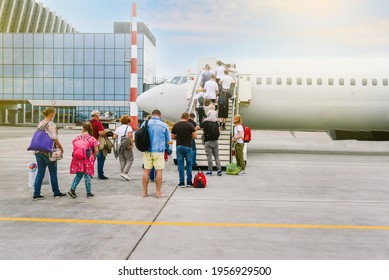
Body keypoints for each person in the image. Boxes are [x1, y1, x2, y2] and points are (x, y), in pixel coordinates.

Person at [32, 107, 66, 200]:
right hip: (48, 152)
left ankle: (36, 194)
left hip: (38, 150)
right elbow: (54, 137)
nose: (55, 115)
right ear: (51, 114)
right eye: (54, 113)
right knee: (53, 172)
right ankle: (56, 192)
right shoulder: (50, 124)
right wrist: (61, 147)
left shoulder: (41, 123)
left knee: (40, 173)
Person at [142, 109, 171, 198]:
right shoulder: (164, 125)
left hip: (147, 151)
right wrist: (168, 150)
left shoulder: (145, 123)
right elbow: (168, 140)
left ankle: (144, 193)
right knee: (159, 171)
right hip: (159, 151)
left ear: (152, 114)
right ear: (160, 115)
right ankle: (158, 193)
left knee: (146, 171)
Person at [68, 122, 99, 198]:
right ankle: (88, 192)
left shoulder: (78, 137)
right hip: (88, 159)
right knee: (87, 175)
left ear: (83, 128)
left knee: (78, 175)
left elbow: (74, 145)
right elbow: (96, 150)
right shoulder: (92, 138)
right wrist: (94, 156)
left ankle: (72, 189)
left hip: (78, 159)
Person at [171, 112, 197, 187]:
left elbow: (172, 137)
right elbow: (195, 136)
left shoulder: (176, 125)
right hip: (188, 146)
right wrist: (189, 137)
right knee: (189, 164)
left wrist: (178, 138)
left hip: (179, 146)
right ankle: (189, 182)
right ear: (188, 117)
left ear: (181, 117)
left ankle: (181, 182)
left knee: (180, 164)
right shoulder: (190, 125)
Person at [197, 109, 222, 176]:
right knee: (216, 156)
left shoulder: (205, 122)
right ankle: (219, 170)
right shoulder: (216, 123)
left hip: (208, 141)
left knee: (209, 157)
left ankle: (210, 170)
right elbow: (219, 132)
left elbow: (198, 128)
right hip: (215, 141)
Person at [113, 115, 134, 181]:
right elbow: (130, 136)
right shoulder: (129, 127)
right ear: (128, 121)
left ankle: (123, 173)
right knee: (130, 159)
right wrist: (132, 144)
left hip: (119, 145)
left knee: (122, 160)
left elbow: (114, 137)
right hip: (126, 145)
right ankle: (125, 173)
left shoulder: (118, 128)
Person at [90, 110, 109, 180]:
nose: (99, 117)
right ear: (96, 116)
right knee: (101, 158)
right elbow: (101, 133)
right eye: (99, 115)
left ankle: (89, 174)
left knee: (91, 159)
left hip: (88, 144)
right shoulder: (98, 123)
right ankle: (100, 174)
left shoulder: (88, 123)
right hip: (97, 143)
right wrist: (106, 132)